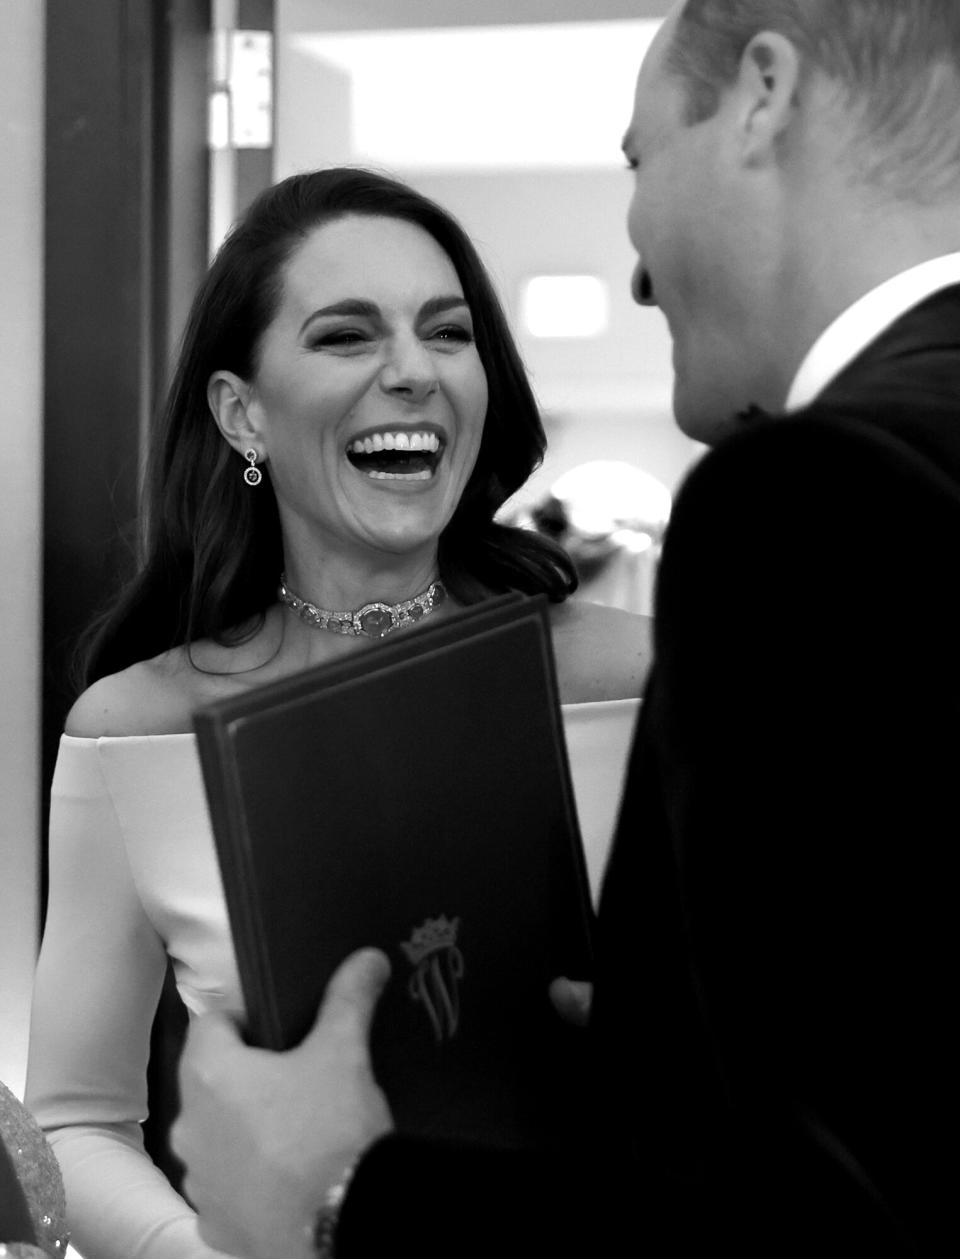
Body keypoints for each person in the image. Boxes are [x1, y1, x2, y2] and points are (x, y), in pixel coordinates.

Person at [170, 2, 960, 1256]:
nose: (636, 265)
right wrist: (681, 1070)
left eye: (639, 162)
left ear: (763, 96)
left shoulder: (816, 495)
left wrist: (336, 1195)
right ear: (240, 409)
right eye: (343, 333)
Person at [24, 168, 650, 1259]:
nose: (412, 371)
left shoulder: (642, 679)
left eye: (447, 333)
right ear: (242, 412)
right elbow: (76, 1118)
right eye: (347, 336)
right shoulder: (134, 731)